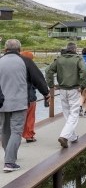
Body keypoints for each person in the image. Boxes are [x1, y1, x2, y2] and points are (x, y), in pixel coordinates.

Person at [0, 39, 49, 171]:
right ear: (19, 49)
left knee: (4, 131)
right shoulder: (26, 61)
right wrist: (46, 93)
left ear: (5, 49)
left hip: (1, 103)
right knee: (16, 131)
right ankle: (9, 162)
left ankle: (9, 155)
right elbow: (38, 78)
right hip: (19, 102)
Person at [46, 42, 86, 149]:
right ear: (75, 49)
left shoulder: (59, 59)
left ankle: (72, 137)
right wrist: (82, 85)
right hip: (74, 89)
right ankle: (64, 136)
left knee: (67, 113)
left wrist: (51, 84)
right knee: (74, 113)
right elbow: (84, 71)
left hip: (62, 89)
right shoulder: (78, 59)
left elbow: (48, 71)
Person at [20, 51, 38, 143]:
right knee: (30, 117)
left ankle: (15, 136)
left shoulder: (16, 67)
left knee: (17, 118)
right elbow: (37, 81)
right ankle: (29, 136)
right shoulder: (31, 68)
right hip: (30, 95)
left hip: (16, 97)